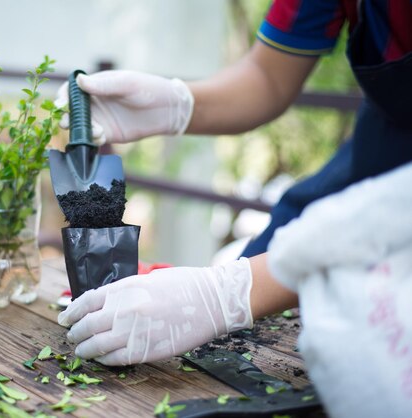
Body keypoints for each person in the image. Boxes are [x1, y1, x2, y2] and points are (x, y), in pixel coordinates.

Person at [54, 0, 412, 369]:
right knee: (279, 244)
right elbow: (269, 74)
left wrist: (228, 294)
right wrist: (179, 103)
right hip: (386, 135)